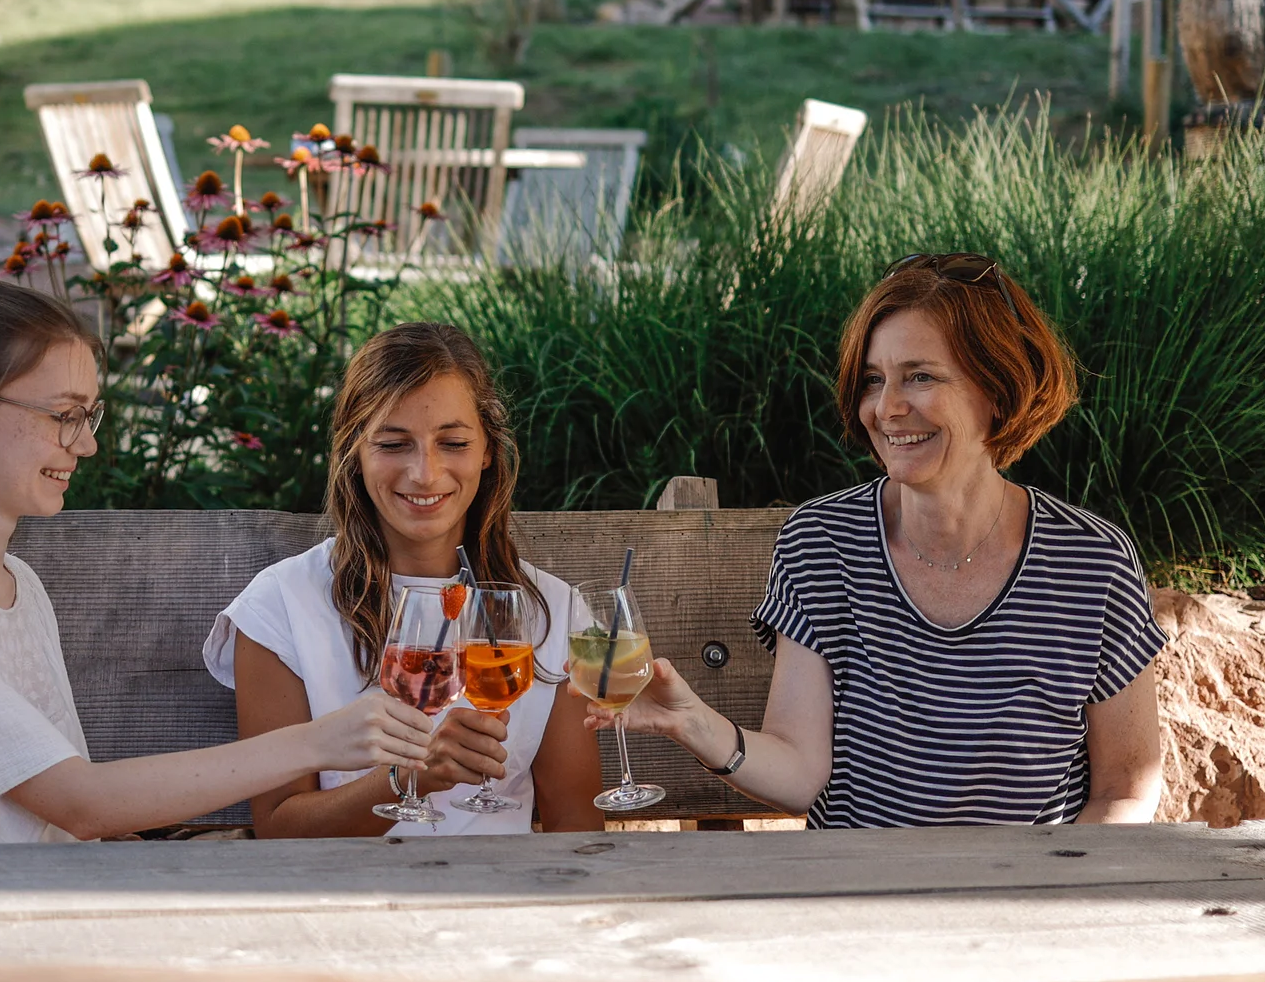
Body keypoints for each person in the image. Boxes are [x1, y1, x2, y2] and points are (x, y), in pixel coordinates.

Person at [0, 281, 432, 846]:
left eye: (90, 417)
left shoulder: (17, 589)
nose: (86, 444)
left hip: (3, 922)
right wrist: (321, 742)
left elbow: (53, 820)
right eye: (65, 415)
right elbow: (80, 803)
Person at [583, 254, 1166, 828]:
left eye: (920, 376)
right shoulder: (822, 544)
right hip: (859, 897)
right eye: (873, 380)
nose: (886, 409)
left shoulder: (1092, 563)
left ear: (998, 389)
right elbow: (799, 772)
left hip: (1023, 903)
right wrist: (693, 723)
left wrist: (1046, 902)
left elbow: (1126, 786)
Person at [204, 321, 604, 836]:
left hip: (503, 903)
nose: (425, 473)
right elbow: (280, 828)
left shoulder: (553, 610)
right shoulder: (280, 605)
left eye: (453, 442)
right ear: (356, 450)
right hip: (344, 905)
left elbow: (577, 823)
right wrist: (404, 779)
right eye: (394, 444)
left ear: (487, 449)